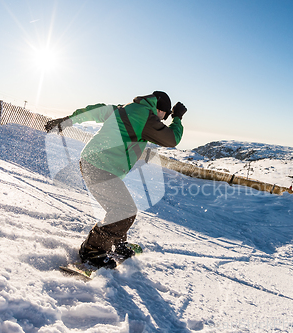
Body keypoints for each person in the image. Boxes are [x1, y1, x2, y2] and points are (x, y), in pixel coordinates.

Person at [45, 91, 187, 268]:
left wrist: (68, 119)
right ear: (160, 109)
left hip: (93, 163)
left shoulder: (124, 109)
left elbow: (96, 111)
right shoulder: (146, 117)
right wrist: (178, 118)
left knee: (119, 208)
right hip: (100, 168)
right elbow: (171, 138)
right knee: (124, 209)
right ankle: (92, 251)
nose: (162, 121)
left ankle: (115, 244)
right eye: (164, 116)